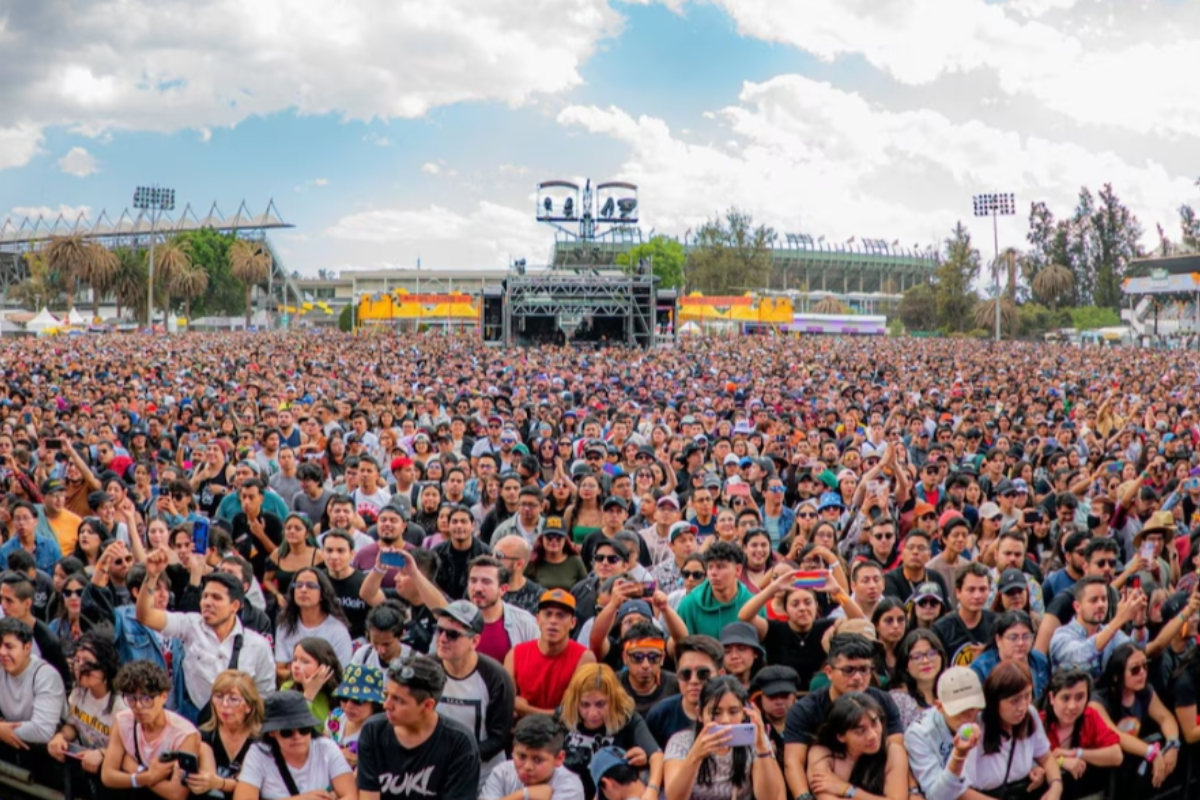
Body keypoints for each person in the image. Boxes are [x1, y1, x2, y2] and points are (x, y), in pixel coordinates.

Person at [135, 549, 275, 723]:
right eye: (205, 596)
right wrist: (151, 576)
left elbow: (265, 696)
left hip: (239, 724)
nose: (208, 602)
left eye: (216, 598)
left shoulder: (258, 645)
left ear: (235, 605)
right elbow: (145, 616)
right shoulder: (190, 626)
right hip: (195, 720)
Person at [783, 634, 904, 800]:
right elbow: (793, 762)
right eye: (848, 670)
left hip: (877, 783)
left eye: (864, 669)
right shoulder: (805, 710)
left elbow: (892, 755)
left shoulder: (884, 701)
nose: (857, 677)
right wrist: (804, 797)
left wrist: (846, 789)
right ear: (829, 672)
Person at [355, 656, 482, 800]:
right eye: (387, 695)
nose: (386, 705)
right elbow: (368, 796)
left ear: (427, 705)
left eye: (398, 700)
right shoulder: (373, 731)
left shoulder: (459, 743)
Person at [431, 599, 516, 787]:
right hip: (434, 768)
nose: (442, 638)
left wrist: (458, 756)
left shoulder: (496, 677)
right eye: (439, 630)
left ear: (475, 641)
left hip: (484, 774)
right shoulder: (426, 669)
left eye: (452, 634)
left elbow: (500, 736)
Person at [663, 675, 785, 800]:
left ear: (744, 713)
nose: (725, 721)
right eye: (715, 713)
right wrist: (695, 756)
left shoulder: (754, 740)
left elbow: (769, 797)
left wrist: (762, 748)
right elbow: (674, 798)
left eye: (733, 712)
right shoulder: (680, 742)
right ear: (699, 714)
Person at [740, 570, 863, 690]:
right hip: (782, 696)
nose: (802, 608)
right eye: (795, 604)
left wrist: (838, 591)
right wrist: (774, 588)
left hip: (819, 695)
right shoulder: (774, 630)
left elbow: (857, 619)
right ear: (785, 609)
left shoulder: (826, 626)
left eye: (808, 602)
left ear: (816, 606)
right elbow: (744, 616)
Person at [559, 663, 663, 800]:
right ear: (575, 701)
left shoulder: (626, 718)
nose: (592, 713)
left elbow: (657, 756)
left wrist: (652, 790)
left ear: (613, 700)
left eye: (600, 704)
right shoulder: (564, 716)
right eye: (585, 704)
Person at [101, 660, 200, 800]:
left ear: (164, 697)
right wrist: (147, 777)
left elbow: (177, 794)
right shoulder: (123, 721)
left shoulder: (184, 734)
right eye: (131, 698)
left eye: (147, 699)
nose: (139, 706)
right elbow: (108, 776)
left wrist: (135, 769)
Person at [234, 689, 356, 800]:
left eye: (304, 729)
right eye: (287, 732)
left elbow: (350, 795)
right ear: (272, 732)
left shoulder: (326, 748)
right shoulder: (259, 753)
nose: (297, 736)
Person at [1090, 642, 1181, 789]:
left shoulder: (1145, 691)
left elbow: (1165, 717)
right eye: (1135, 670)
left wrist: (1172, 744)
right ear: (1116, 676)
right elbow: (1116, 735)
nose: (1142, 673)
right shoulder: (1098, 701)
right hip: (1101, 776)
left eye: (1145, 666)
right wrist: (1152, 752)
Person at [966, 661, 1063, 800]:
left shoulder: (1030, 714)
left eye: (1027, 696)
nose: (1022, 707)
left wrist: (1056, 786)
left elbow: (1046, 757)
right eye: (1014, 701)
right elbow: (960, 790)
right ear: (995, 701)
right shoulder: (976, 726)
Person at [47, 633, 127, 798]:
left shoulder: (121, 705)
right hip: (84, 771)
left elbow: (128, 751)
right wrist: (61, 737)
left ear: (105, 667)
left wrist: (103, 753)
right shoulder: (79, 691)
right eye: (77, 660)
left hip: (114, 782)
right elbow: (74, 725)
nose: (80, 667)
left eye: (87, 662)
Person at [506, 589, 596, 717]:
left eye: (561, 615)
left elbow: (574, 712)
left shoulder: (584, 658)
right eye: (548, 614)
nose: (553, 621)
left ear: (573, 623)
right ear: (537, 619)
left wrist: (525, 710)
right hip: (523, 731)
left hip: (565, 732)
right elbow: (507, 704)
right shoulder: (515, 654)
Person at [806, 692, 910, 800]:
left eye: (875, 724)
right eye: (861, 731)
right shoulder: (822, 752)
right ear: (841, 736)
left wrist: (847, 789)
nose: (872, 736)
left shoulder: (893, 752)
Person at [904, 667, 987, 800]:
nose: (967, 717)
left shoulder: (984, 717)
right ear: (939, 706)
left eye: (971, 708)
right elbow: (937, 797)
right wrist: (959, 756)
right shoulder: (919, 734)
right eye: (959, 710)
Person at [1039, 668, 1122, 800]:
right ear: (1052, 698)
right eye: (1065, 698)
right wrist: (1060, 761)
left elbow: (1117, 755)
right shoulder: (1037, 723)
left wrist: (1077, 753)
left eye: (1079, 697)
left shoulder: (1091, 716)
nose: (1072, 706)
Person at [187, 669, 265, 800]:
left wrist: (219, 783)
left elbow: (248, 787)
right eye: (218, 697)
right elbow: (207, 783)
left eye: (233, 699)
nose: (224, 705)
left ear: (249, 706)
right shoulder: (203, 735)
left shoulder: (261, 740)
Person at [1049, 576, 1144, 679]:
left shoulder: (1113, 633)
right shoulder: (1062, 635)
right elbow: (1080, 655)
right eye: (1094, 600)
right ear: (1077, 607)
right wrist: (1119, 620)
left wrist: (1139, 624)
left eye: (1104, 599)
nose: (1101, 605)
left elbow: (1136, 650)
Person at [274, 566, 354, 681]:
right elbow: (280, 671)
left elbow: (340, 674)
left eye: (311, 586)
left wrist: (293, 668)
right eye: (298, 585)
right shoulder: (285, 626)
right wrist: (315, 670)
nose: (303, 590)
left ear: (322, 594)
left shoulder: (338, 631)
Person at [0, 616, 66, 755]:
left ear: (27, 648)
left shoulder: (46, 676)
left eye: (9, 646)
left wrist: (2, 730)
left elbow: (42, 730)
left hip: (49, 756)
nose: (2, 652)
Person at [481, 714, 586, 800]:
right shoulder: (503, 772)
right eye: (522, 756)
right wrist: (522, 795)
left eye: (538, 759)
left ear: (559, 758)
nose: (527, 767)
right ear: (513, 750)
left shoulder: (570, 787)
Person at [646, 635, 725, 748]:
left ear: (721, 674)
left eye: (703, 673)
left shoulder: (737, 712)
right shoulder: (660, 715)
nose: (693, 681)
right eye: (685, 674)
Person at [675, 542, 758, 639]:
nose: (713, 573)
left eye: (720, 567)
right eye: (710, 567)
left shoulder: (753, 604)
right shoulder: (689, 604)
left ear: (738, 570)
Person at [971, 610, 1051, 702]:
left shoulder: (1039, 660)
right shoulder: (981, 668)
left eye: (1026, 637)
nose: (1021, 643)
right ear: (998, 640)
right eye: (1013, 637)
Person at [932, 562, 997, 668]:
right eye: (971, 590)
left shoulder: (997, 623)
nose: (977, 596)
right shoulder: (941, 629)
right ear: (958, 592)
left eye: (983, 589)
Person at [325, 664, 386, 768]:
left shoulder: (382, 730)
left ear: (374, 704)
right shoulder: (335, 717)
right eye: (344, 698)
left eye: (357, 701)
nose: (348, 706)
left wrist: (364, 763)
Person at [619, 621, 680, 717]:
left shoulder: (678, 686)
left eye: (653, 657)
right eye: (637, 657)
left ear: (662, 658)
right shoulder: (612, 686)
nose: (645, 665)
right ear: (625, 658)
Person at [749, 664, 800, 778]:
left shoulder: (807, 723)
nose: (779, 702)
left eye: (785, 696)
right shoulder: (750, 727)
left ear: (794, 696)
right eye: (772, 696)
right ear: (759, 697)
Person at [889, 629, 947, 729]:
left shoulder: (952, 692)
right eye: (917, 657)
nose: (925, 661)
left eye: (932, 654)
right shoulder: (897, 700)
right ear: (905, 665)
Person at [280, 637, 343, 724]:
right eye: (295, 660)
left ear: (324, 666)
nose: (296, 666)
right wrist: (309, 694)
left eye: (305, 662)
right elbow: (295, 725)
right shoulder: (287, 688)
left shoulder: (339, 692)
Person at [526, 519, 588, 592]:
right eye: (549, 537)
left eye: (559, 537)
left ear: (565, 539)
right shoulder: (533, 562)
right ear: (542, 538)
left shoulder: (575, 562)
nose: (554, 541)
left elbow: (585, 589)